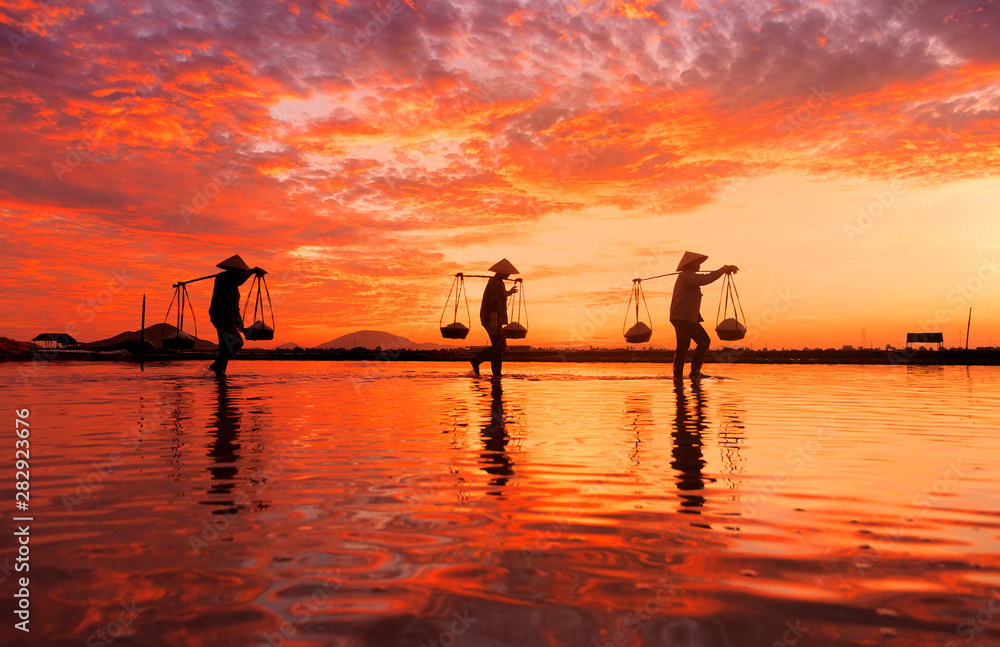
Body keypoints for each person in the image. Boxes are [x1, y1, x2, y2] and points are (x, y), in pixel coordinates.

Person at [670, 251, 738, 380]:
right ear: (690, 264)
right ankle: (695, 372)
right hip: (684, 318)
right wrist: (722, 270)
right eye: (697, 263)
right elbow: (704, 279)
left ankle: (678, 376)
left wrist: (721, 271)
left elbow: (701, 280)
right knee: (704, 341)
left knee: (683, 346)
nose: (699, 266)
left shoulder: (687, 276)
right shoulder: (687, 276)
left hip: (682, 317)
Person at [208, 254, 266, 376]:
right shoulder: (223, 278)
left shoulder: (233, 287)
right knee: (236, 342)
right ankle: (217, 364)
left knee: (225, 345)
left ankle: (220, 374)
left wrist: (241, 327)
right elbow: (239, 280)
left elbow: (236, 308)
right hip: (221, 316)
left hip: (229, 317)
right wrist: (252, 270)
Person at [471, 259, 519, 378]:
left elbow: (499, 296)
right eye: (507, 273)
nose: (508, 275)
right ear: (503, 273)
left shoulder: (497, 282)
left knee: (500, 346)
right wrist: (493, 321)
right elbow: (494, 303)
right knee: (499, 347)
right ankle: (481, 363)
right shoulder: (496, 283)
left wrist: (509, 293)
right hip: (492, 319)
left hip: (493, 319)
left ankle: (495, 372)